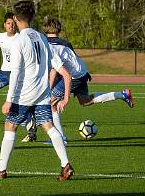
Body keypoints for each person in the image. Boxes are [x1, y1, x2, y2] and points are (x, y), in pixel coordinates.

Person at [0, 1, 74, 181]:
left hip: (25, 94)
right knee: (49, 127)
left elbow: (15, 72)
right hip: (43, 92)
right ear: (31, 17)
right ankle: (65, 164)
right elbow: (56, 65)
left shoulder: (19, 41)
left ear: (15, 19)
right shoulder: (41, 37)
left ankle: (1, 169)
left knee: (10, 126)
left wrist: (9, 99)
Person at [22, 16, 134, 144]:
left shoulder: (48, 47)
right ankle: (122, 94)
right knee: (85, 101)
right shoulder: (64, 43)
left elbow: (66, 75)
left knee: (51, 103)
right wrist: (50, 88)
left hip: (73, 76)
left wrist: (65, 99)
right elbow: (57, 68)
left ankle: (60, 138)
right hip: (82, 72)